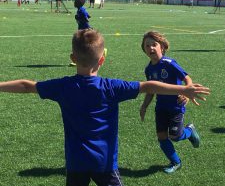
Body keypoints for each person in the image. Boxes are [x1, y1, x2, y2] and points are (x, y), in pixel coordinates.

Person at [0, 29, 210, 186]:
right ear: (102, 60)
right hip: (105, 164)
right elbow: (148, 86)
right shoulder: (112, 87)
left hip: (75, 164)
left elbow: (28, 86)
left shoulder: (62, 86)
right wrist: (184, 89)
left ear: (73, 59)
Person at [140, 31, 206, 174]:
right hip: (161, 108)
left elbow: (187, 78)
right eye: (147, 46)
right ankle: (176, 162)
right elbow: (151, 90)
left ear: (162, 47)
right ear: (144, 50)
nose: (151, 48)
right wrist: (144, 105)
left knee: (175, 136)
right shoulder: (149, 69)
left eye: (154, 45)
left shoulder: (169, 64)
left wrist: (187, 93)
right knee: (162, 136)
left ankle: (190, 131)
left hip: (176, 106)